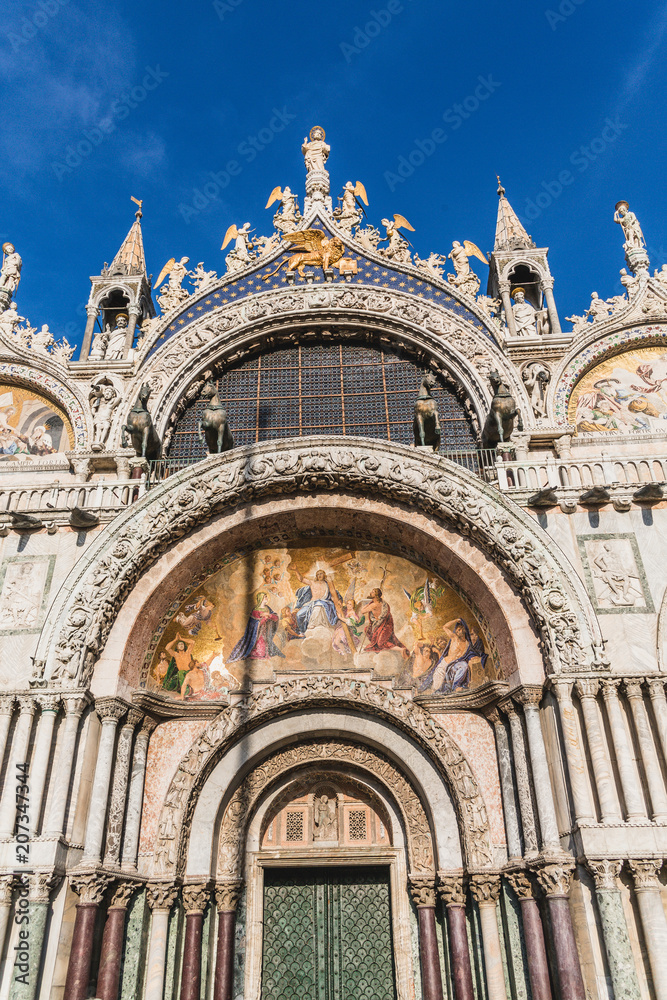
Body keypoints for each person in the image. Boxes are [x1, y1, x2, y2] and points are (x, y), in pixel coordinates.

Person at [418, 619, 486, 694]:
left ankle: (455, 687)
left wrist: (473, 657)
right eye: (456, 630)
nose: (457, 632)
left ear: (464, 629)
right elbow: (445, 627)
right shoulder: (454, 638)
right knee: (437, 687)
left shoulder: (467, 644)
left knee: (464, 665)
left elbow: (470, 653)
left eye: (459, 630)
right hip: (444, 665)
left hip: (454, 666)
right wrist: (455, 620)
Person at [228, 592, 284, 661]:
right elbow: (254, 623)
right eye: (265, 597)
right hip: (257, 634)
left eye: (266, 597)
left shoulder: (268, 609)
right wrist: (264, 618)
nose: (267, 598)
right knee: (259, 651)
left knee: (265, 650)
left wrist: (269, 615)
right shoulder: (255, 610)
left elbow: (276, 618)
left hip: (266, 632)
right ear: (261, 599)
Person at [360, 589, 407, 654]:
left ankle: (400, 650)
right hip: (384, 625)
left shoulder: (373, 605)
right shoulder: (383, 603)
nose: (370, 593)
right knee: (367, 629)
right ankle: (375, 644)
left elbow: (362, 611)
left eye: (373, 592)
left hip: (381, 626)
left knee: (381, 643)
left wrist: (367, 604)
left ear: (376, 595)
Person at [293, 569, 339, 634]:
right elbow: (301, 579)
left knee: (318, 604)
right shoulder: (312, 582)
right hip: (311, 603)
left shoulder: (328, 584)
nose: (319, 575)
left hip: (323, 602)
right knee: (299, 615)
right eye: (318, 574)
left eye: (321, 574)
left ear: (324, 575)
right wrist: (296, 570)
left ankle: (312, 624)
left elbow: (333, 594)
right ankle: (303, 631)